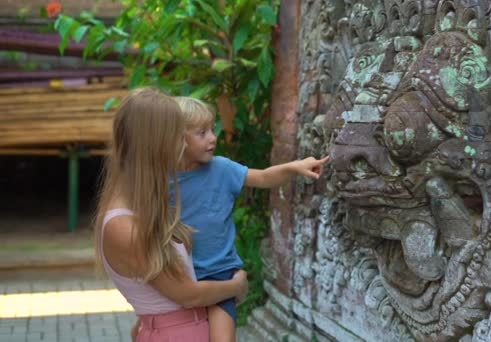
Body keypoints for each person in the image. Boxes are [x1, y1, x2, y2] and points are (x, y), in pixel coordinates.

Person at [95, 88, 248, 342]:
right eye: (177, 135)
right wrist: (236, 286)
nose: (183, 144)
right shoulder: (124, 225)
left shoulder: (146, 204)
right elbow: (187, 294)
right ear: (156, 144)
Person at [172, 96, 328, 342]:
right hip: (178, 278)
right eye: (202, 133)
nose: (213, 138)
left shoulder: (221, 168)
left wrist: (294, 167)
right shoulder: (160, 181)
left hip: (220, 275)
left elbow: (264, 177)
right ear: (177, 139)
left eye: (213, 130)